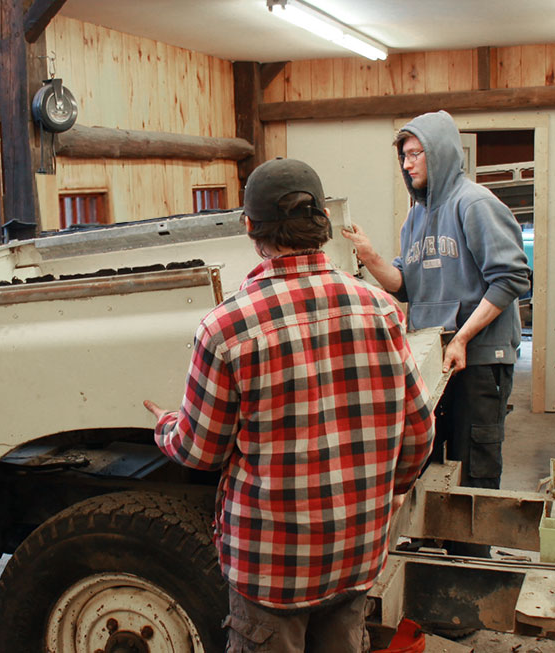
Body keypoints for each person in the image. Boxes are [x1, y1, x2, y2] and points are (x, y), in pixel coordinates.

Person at [144, 158, 435, 652]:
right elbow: (419, 432)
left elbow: (201, 452)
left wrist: (167, 425)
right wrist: (387, 493)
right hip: (356, 554)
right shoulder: (380, 309)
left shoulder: (226, 327)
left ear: (249, 227)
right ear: (322, 221)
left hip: (271, 568)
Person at [342, 111, 530, 502]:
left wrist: (461, 338)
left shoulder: (475, 204)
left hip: (477, 358)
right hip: (434, 358)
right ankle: (435, 549)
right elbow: (405, 285)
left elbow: (511, 278)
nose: (407, 164)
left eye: (415, 154)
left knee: (473, 462)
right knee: (428, 457)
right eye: (404, 157)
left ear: (440, 152)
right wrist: (371, 256)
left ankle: (471, 555)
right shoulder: (415, 217)